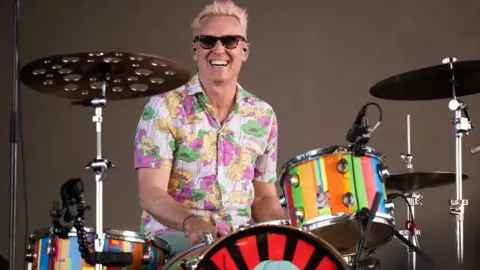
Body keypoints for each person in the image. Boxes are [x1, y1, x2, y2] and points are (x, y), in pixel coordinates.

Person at [134, 0, 285, 256]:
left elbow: (263, 198)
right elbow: (151, 193)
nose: (218, 49)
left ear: (245, 51)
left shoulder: (263, 115)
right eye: (207, 41)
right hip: (176, 244)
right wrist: (191, 223)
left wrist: (285, 231)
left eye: (229, 41)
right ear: (195, 50)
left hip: (239, 245)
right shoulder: (164, 108)